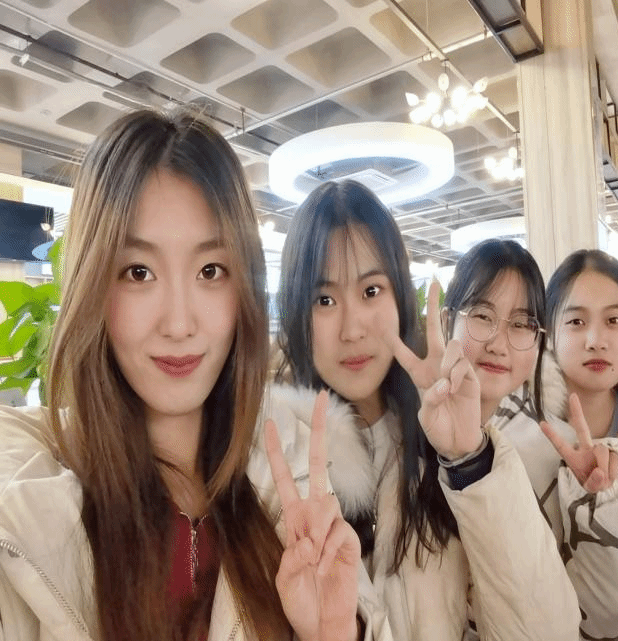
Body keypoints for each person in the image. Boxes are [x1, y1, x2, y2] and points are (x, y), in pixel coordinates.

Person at [0, 109, 376, 641]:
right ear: (91, 283)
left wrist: (332, 633)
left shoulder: (289, 488)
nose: (179, 324)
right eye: (138, 272)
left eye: (210, 271)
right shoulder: (26, 516)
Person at [275, 180, 580, 641]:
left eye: (371, 291)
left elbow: (547, 632)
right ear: (296, 311)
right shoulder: (274, 462)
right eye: (324, 300)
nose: (353, 329)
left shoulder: (443, 443)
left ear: (400, 297)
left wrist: (469, 458)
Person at [442, 241, 618, 641]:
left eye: (614, 320)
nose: (595, 339)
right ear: (549, 332)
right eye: (576, 321)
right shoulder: (507, 428)